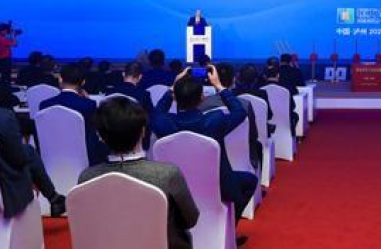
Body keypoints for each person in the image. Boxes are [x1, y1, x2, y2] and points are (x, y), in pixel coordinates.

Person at [150, 66, 258, 237]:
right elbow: (239, 112)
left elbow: (156, 113)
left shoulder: (164, 123)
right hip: (217, 185)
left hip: (174, 187)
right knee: (249, 181)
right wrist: (219, 86)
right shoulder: (214, 121)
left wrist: (172, 88)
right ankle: (227, 233)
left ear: (175, 97)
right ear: (202, 97)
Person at [79, 97, 199, 249]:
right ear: (143, 131)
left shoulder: (87, 178)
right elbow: (191, 219)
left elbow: (87, 226)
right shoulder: (167, 174)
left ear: (100, 137)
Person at [0, 107, 66, 218]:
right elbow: (18, 159)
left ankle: (54, 198)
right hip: (6, 189)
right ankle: (53, 197)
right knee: (28, 152)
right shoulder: (4, 117)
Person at [39, 63, 108, 165]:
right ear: (83, 82)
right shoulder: (89, 105)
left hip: (51, 158)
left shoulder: (44, 105)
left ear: (60, 79)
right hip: (85, 159)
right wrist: (87, 100)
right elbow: (93, 134)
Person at [200, 63, 263, 171]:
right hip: (242, 158)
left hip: (209, 157)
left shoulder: (202, 105)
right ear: (234, 80)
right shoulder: (245, 104)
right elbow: (253, 135)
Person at [105, 62, 154, 149]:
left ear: (123, 74)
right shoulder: (143, 94)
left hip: (111, 138)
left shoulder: (110, 92)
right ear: (140, 77)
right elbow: (150, 117)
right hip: (135, 139)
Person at [0, 23, 18, 88]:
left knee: (3, 77)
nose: (6, 32)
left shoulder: (3, 39)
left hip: (2, 60)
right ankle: (6, 90)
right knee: (6, 78)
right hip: (5, 61)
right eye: (6, 31)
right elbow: (15, 44)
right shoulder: (3, 39)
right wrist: (15, 35)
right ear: (3, 30)